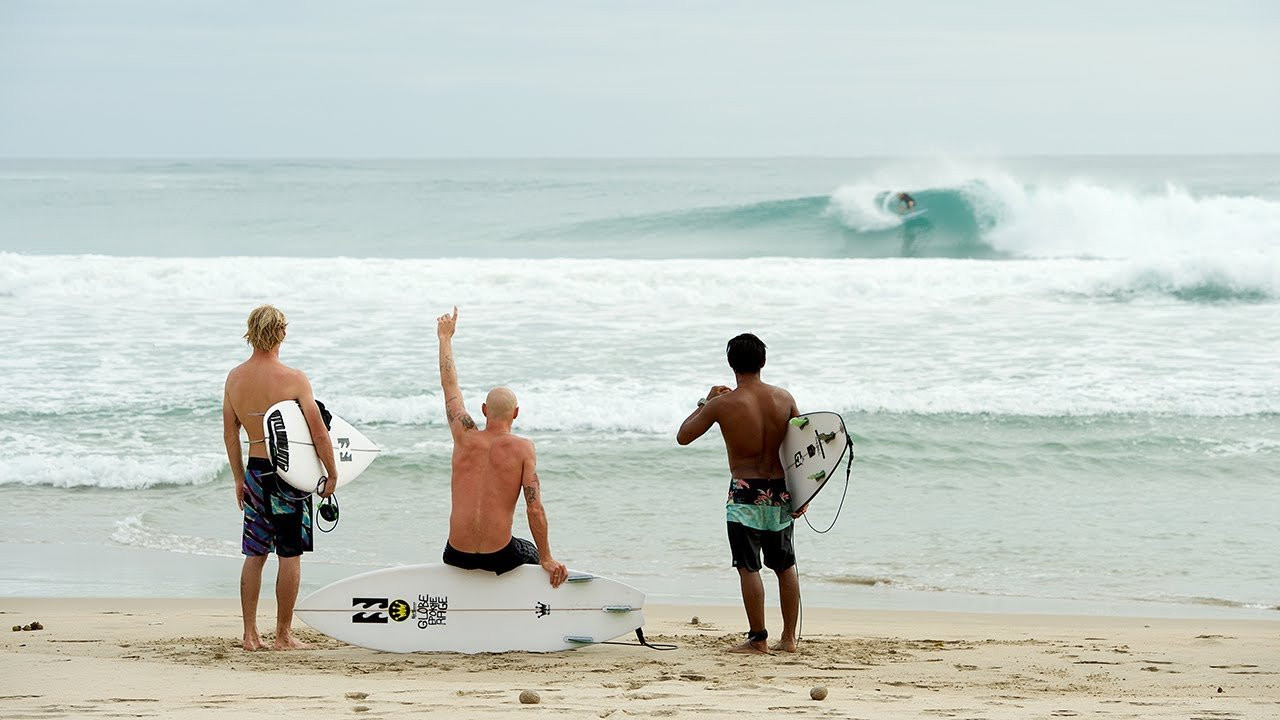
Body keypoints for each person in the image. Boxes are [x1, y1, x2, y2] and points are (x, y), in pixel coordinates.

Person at [677, 333, 805, 654]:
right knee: (784, 566)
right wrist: (803, 494)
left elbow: (683, 436)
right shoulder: (785, 398)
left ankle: (758, 639)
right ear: (762, 361)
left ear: (731, 364)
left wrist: (705, 402)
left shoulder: (723, 404)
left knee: (749, 567)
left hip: (745, 493)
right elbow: (805, 448)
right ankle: (789, 638)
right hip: (781, 492)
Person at [222, 304, 337, 651]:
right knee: (289, 555)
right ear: (281, 333)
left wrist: (239, 478)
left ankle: (249, 635)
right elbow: (318, 434)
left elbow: (230, 434)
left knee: (255, 554)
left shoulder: (235, 378)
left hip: (256, 474)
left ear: (250, 332)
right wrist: (332, 473)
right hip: (289, 479)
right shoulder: (294, 379)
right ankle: (283, 635)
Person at [436, 306, 568, 588]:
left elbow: (450, 387)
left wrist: (445, 338)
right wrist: (546, 557)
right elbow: (534, 509)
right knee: (530, 552)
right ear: (516, 414)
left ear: (484, 410)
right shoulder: (523, 449)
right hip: (500, 555)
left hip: (455, 553)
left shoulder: (464, 436)